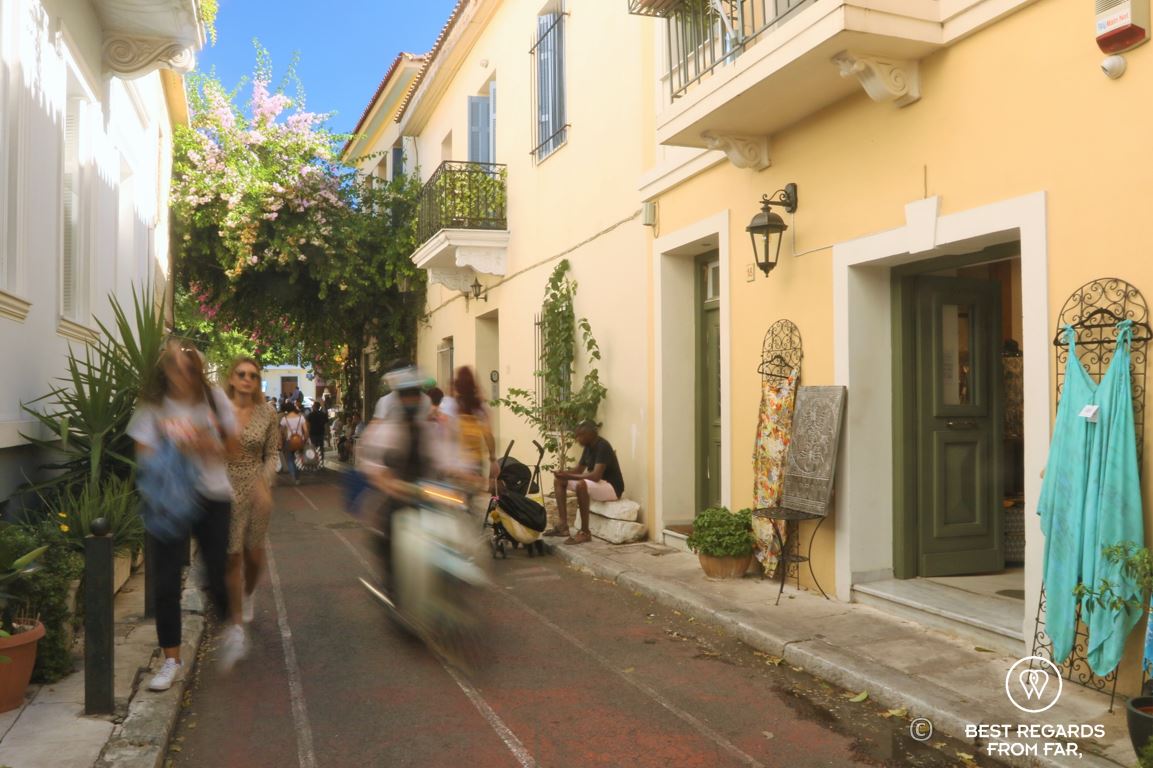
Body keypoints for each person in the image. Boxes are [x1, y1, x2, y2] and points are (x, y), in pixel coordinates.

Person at [129, 338, 239, 691]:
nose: (181, 372)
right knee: (164, 583)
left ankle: (232, 624)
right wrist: (173, 448)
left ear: (197, 371)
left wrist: (205, 443)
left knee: (217, 571)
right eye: (174, 365)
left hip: (212, 496)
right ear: (164, 370)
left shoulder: (214, 401)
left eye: (189, 366)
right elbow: (144, 456)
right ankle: (171, 661)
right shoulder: (152, 408)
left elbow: (233, 451)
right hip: (171, 503)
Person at [358, 365, 457, 600]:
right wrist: (386, 482)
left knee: (455, 529)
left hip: (428, 496)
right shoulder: (388, 431)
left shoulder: (429, 429)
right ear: (400, 399)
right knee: (388, 534)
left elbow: (445, 458)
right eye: (407, 395)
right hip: (399, 497)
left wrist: (464, 474)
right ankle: (393, 585)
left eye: (415, 393)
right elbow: (371, 460)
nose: (412, 399)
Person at [223, 357, 280, 661]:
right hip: (225, 485)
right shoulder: (218, 411)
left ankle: (248, 592)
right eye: (241, 374)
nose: (247, 379)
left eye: (253, 376)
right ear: (232, 379)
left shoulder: (268, 413)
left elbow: (272, 454)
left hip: (257, 487)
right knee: (232, 555)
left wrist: (265, 482)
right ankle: (235, 622)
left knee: (253, 554)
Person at [549, 420, 625, 545]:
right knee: (559, 481)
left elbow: (595, 476)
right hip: (598, 484)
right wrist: (563, 473)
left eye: (580, 435)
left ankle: (585, 532)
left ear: (590, 434)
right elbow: (579, 470)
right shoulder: (588, 447)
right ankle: (563, 526)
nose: (577, 439)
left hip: (611, 487)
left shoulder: (603, 446)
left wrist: (568, 474)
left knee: (581, 484)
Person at [450, 367, 497, 495]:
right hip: (475, 463)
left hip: (456, 464)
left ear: (457, 385)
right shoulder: (480, 408)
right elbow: (488, 435)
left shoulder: (452, 407)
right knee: (472, 499)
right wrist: (493, 459)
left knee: (457, 501)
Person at [279, 401, 309, 485]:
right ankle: (298, 477)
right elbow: (306, 431)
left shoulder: (284, 419)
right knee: (299, 459)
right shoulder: (301, 417)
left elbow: (280, 432)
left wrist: (280, 442)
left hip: (290, 441)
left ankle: (293, 476)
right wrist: (305, 439)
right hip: (300, 441)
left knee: (290, 459)